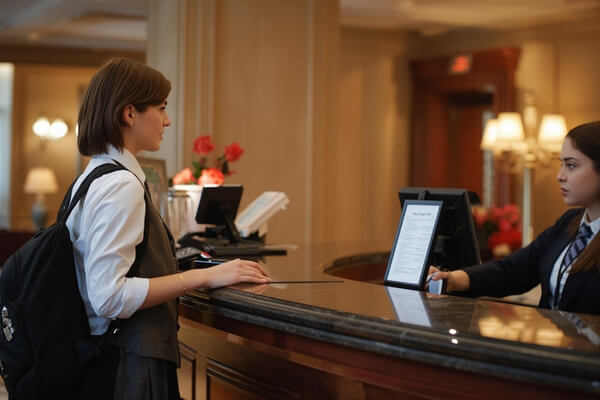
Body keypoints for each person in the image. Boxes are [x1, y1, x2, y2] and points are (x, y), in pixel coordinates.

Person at [68, 58, 269, 399]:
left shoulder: (92, 176)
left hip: (105, 354)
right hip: (125, 359)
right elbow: (109, 297)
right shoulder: (121, 186)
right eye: (161, 108)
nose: (168, 120)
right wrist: (204, 277)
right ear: (129, 113)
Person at [429, 121, 600, 315]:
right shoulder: (570, 222)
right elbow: (512, 270)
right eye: (561, 165)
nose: (560, 176)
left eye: (571, 165)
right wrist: (453, 279)